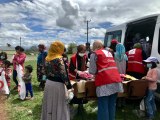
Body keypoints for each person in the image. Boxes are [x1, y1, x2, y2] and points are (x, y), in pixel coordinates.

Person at [89, 40, 123, 120]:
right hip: (116, 80)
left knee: (103, 106)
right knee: (111, 105)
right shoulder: (109, 53)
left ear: (94, 47)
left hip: (105, 82)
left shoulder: (95, 54)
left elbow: (92, 71)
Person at [41, 41, 72, 120]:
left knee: (50, 102)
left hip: (48, 83)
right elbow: (64, 74)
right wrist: (69, 87)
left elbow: (43, 71)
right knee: (59, 103)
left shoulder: (47, 58)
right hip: (58, 85)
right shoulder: (59, 59)